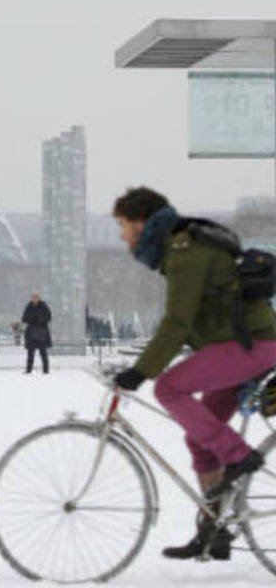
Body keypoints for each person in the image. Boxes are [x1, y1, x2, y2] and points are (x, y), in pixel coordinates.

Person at [110, 186, 276, 561]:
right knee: (200, 440)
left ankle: (238, 454)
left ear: (141, 222)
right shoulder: (180, 248)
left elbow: (178, 322)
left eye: (123, 225)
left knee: (168, 388)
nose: (121, 236)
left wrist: (142, 371)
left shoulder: (185, 251)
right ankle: (214, 529)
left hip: (250, 345)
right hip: (242, 345)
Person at [22, 292, 52, 374]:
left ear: (39, 298)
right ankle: (28, 370)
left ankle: (46, 371)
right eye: (33, 297)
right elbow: (24, 318)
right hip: (31, 334)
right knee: (30, 354)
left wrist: (40, 320)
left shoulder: (44, 306)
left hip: (41, 333)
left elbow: (49, 317)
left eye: (36, 297)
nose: (35, 299)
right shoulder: (29, 307)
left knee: (43, 353)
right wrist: (31, 319)